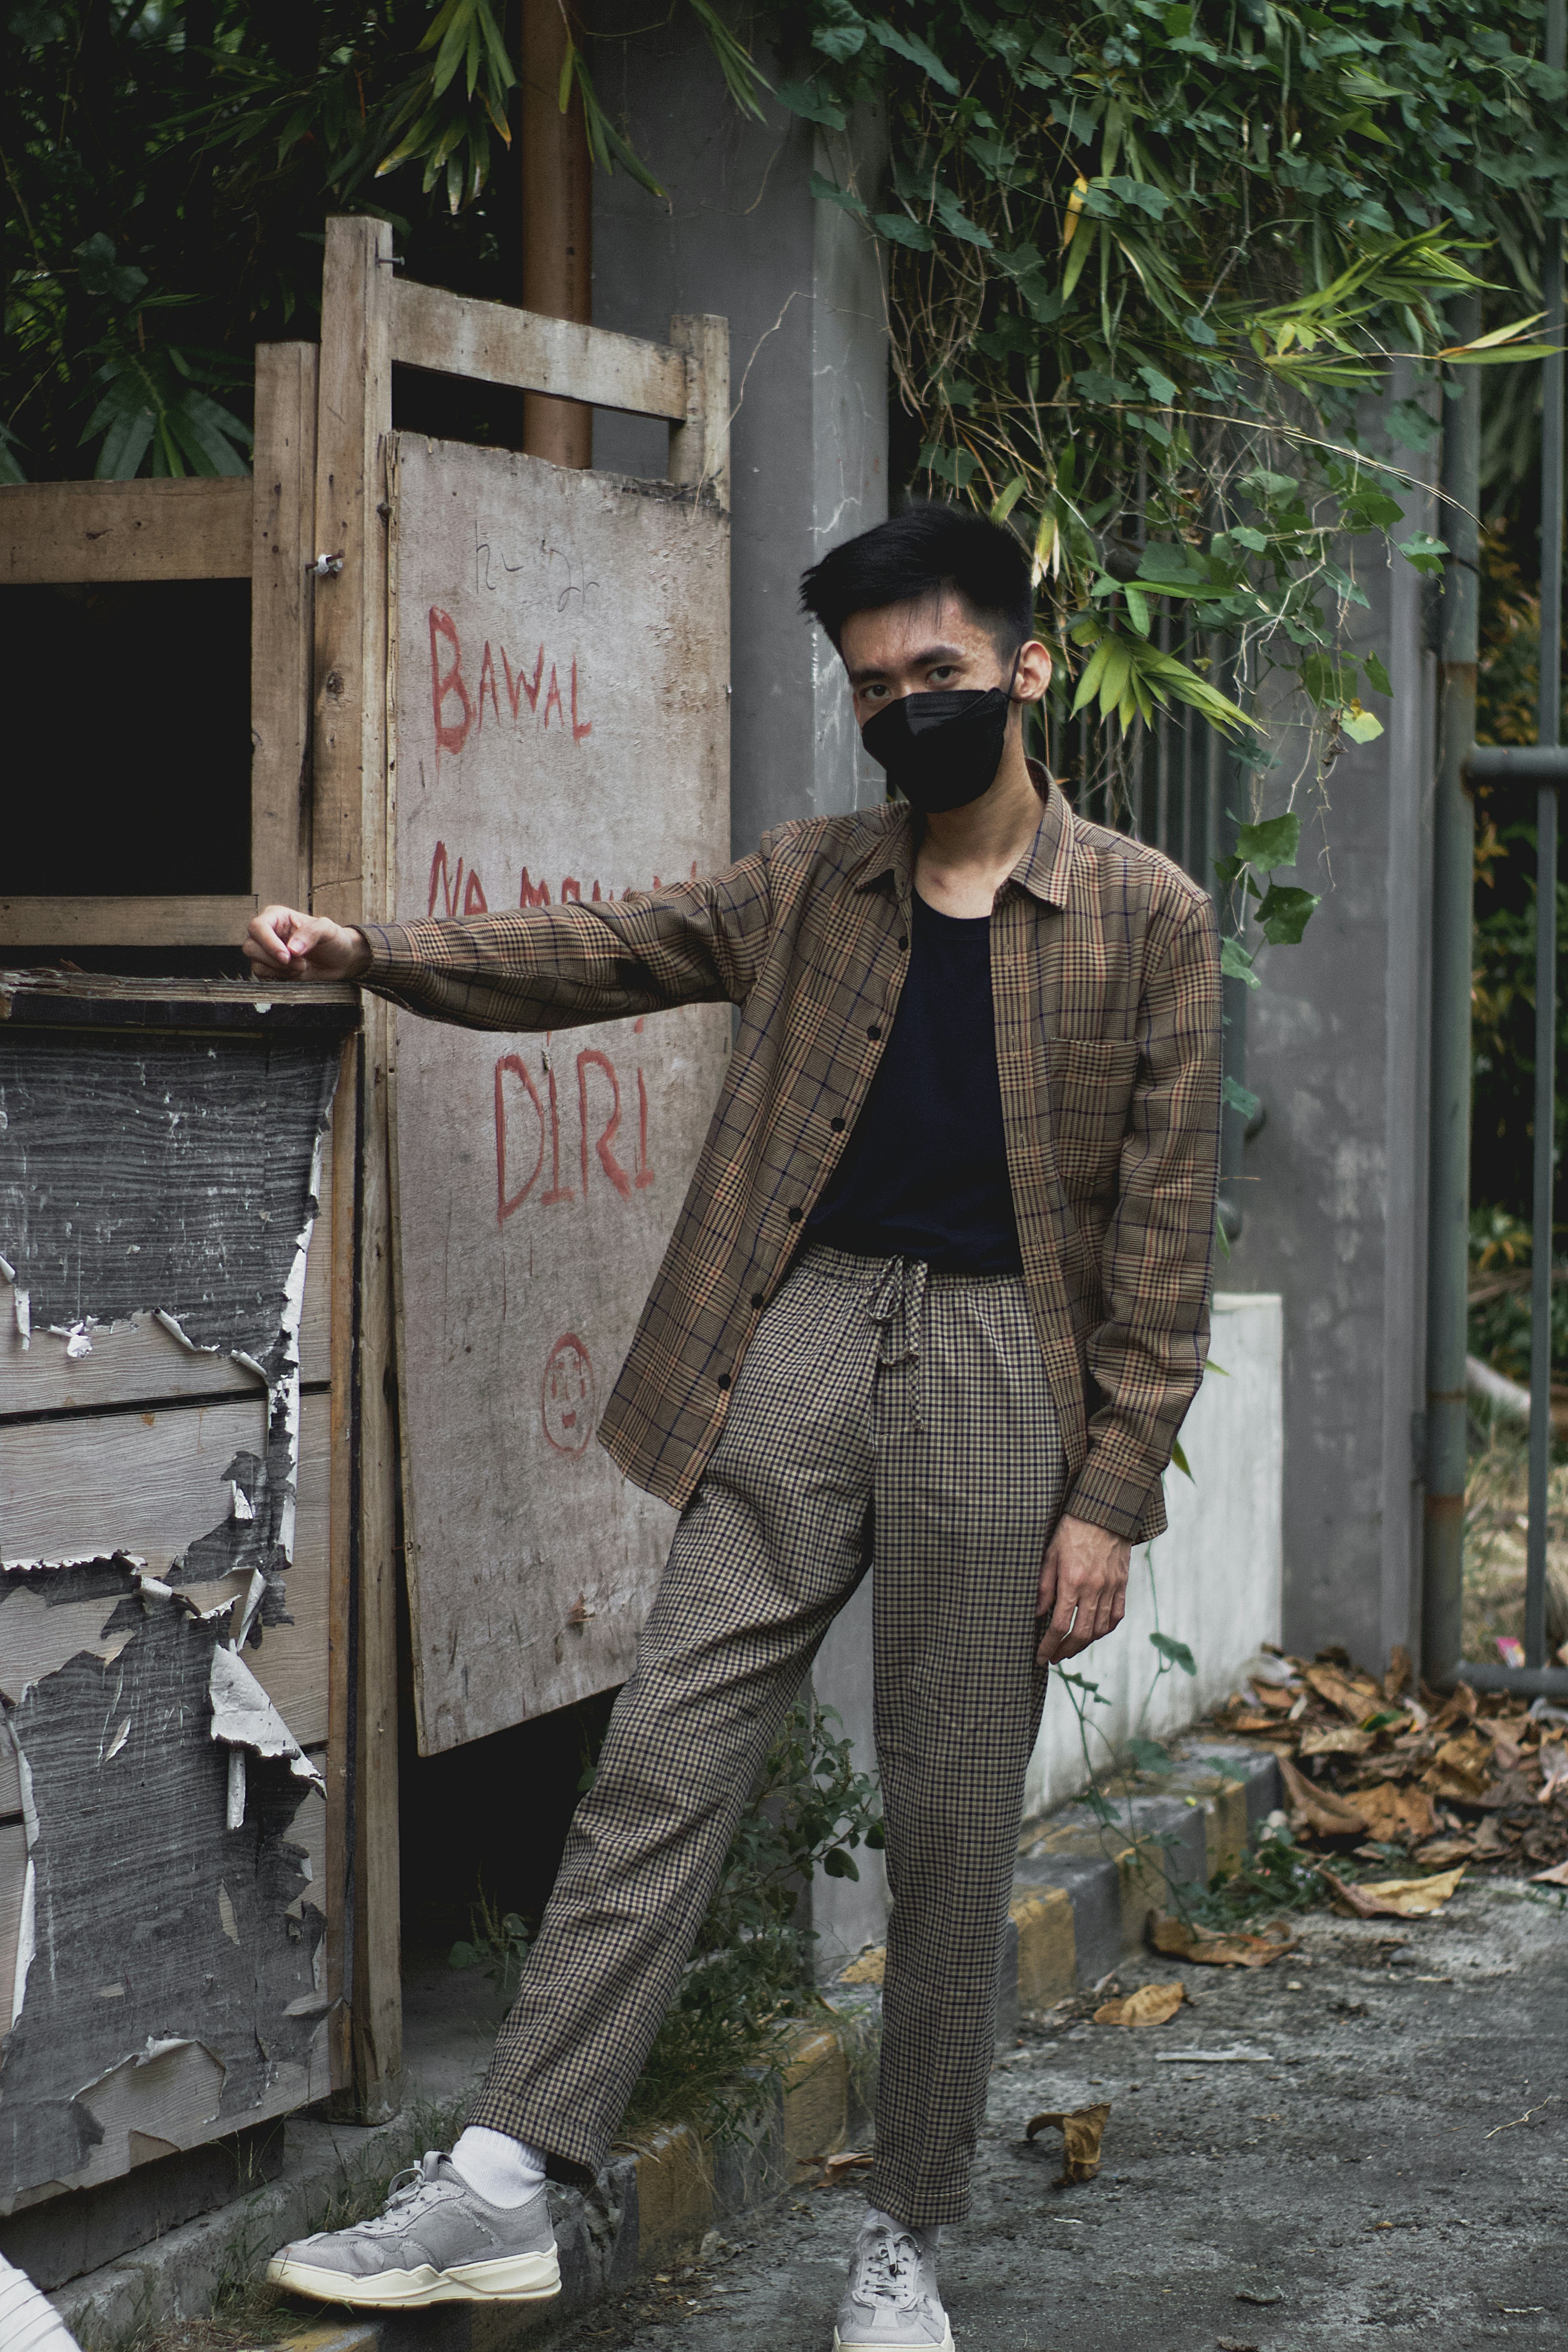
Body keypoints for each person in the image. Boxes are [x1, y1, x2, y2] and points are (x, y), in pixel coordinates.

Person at [251, 505, 1221, 2346]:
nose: (906, 710)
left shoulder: (1146, 919)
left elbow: (1164, 1239)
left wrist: (1108, 1492)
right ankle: (507, 2179)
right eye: (873, 687)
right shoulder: (810, 886)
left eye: (937, 673)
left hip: (1007, 1374)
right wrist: (369, 951)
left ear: (1024, 667)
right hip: (802, 1337)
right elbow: (597, 950)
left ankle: (906, 2241)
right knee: (661, 1762)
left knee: (947, 1830)